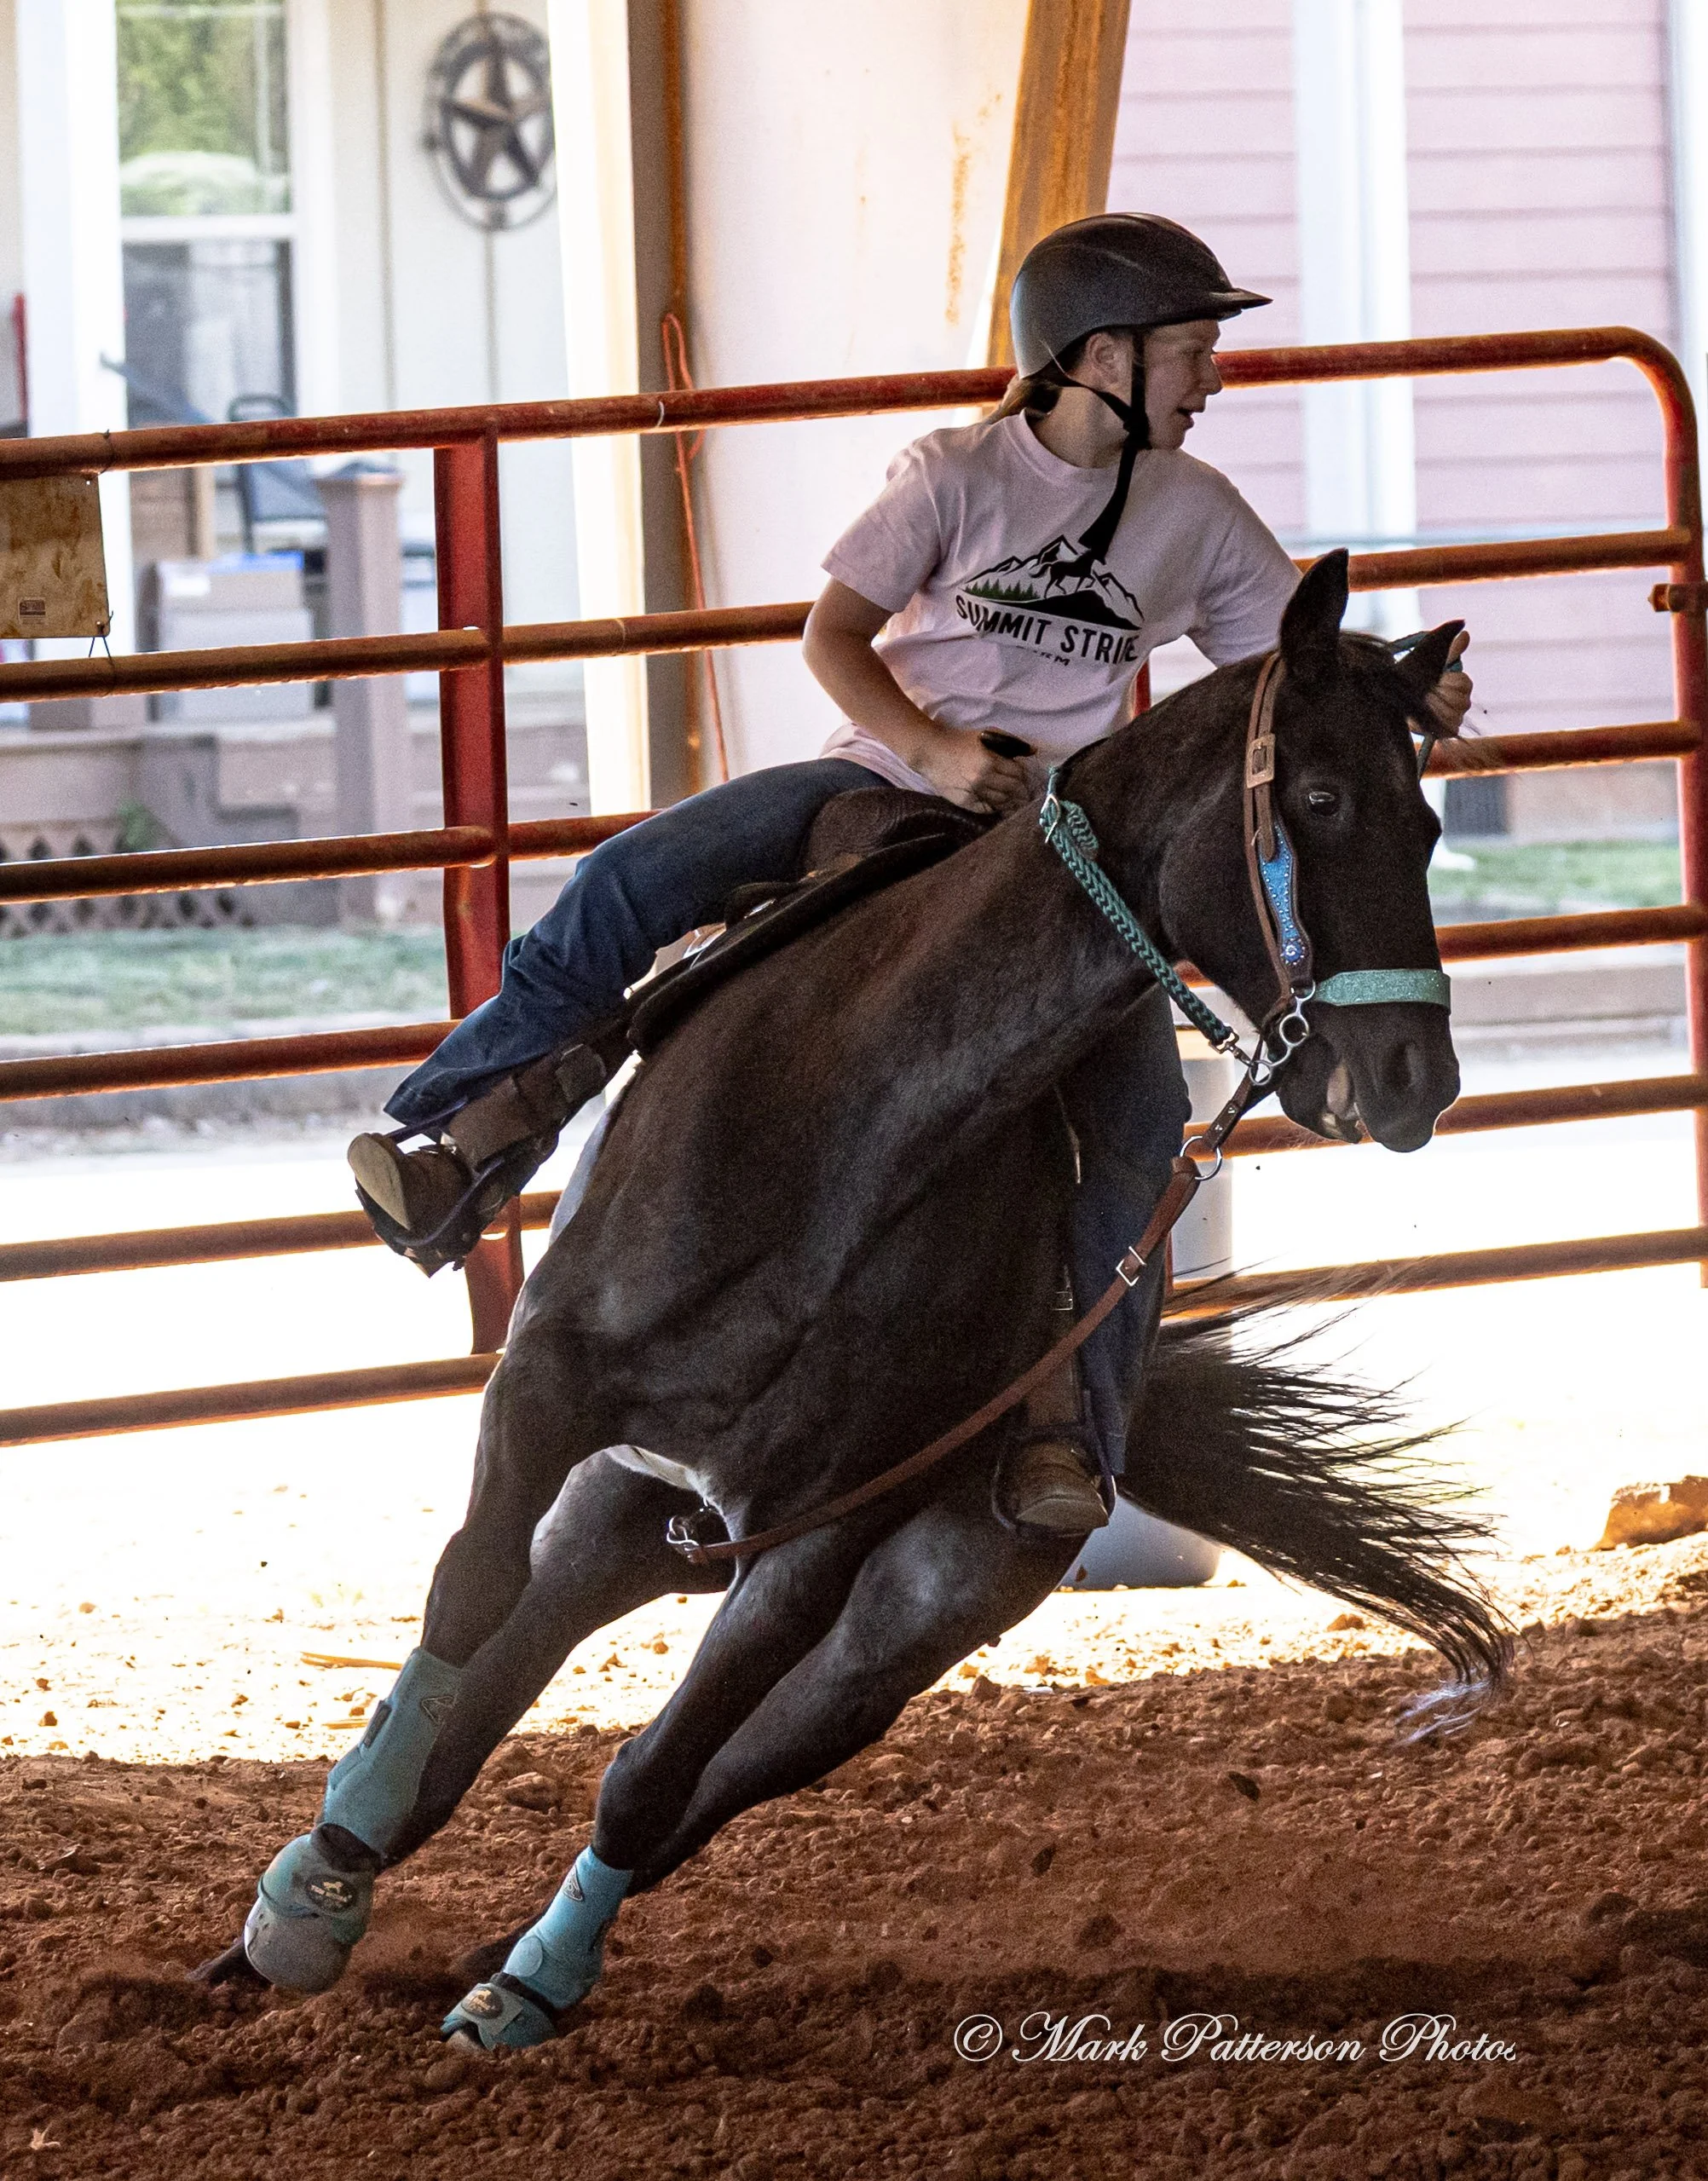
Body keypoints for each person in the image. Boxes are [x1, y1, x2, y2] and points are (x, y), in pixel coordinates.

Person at [345, 212, 1472, 1538]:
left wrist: (1409, 688)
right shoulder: (952, 476)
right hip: (877, 788)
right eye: (1192, 349)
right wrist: (934, 749)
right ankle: (462, 1136)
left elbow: (1296, 674)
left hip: (1063, 859)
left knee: (1139, 1119)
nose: (1212, 377)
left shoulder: (1199, 516)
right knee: (629, 884)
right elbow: (834, 638)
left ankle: (1074, 1432)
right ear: (1102, 355)